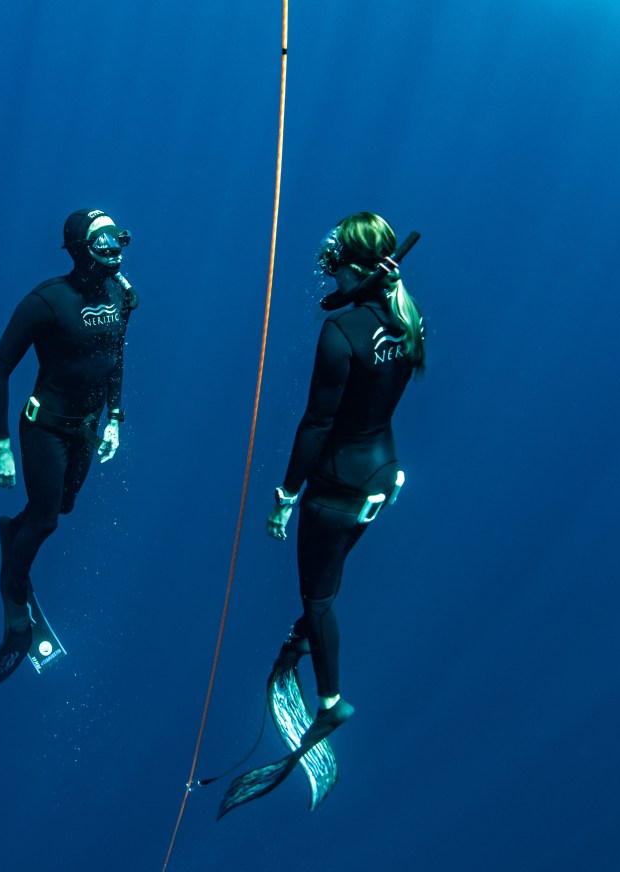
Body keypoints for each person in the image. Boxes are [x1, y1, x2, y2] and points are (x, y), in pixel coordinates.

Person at [219, 212, 424, 815]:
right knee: (329, 577)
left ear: (352, 265)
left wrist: (284, 496)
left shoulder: (342, 332)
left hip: (336, 488)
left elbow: (316, 425)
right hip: (384, 477)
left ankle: (332, 700)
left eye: (334, 259)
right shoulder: (409, 318)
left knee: (319, 597)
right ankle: (305, 645)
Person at [0, 209, 138, 686]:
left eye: (117, 241)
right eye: (102, 243)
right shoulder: (46, 301)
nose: (113, 252)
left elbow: (115, 356)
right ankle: (13, 597)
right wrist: (0, 444)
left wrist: (116, 419)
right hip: (44, 428)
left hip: (85, 430)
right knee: (45, 518)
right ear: (78, 250)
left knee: (59, 508)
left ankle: (13, 533)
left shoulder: (120, 296)